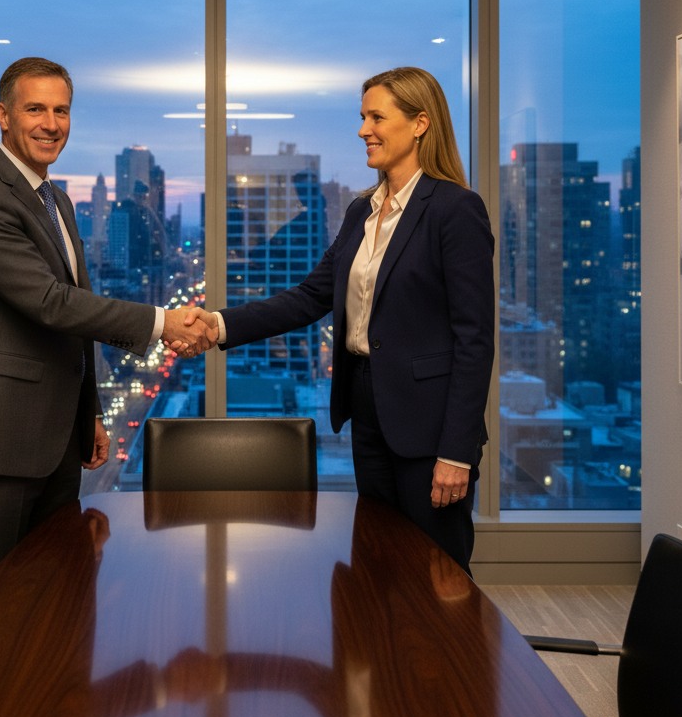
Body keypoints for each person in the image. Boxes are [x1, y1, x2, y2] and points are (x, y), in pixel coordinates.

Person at [193, 66, 494, 571]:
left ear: (420, 123)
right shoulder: (362, 213)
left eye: (377, 117)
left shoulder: (455, 210)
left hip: (428, 426)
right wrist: (217, 325)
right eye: (363, 117)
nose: (363, 130)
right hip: (368, 412)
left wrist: (457, 453)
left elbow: (475, 341)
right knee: (377, 560)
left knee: (437, 574)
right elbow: (310, 297)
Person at [0, 57, 216, 593]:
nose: (50, 123)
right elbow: (50, 303)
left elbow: (73, 314)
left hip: (55, 435)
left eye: (61, 110)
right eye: (35, 109)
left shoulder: (55, 199)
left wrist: (87, 412)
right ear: (2, 115)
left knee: (53, 588)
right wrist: (162, 321)